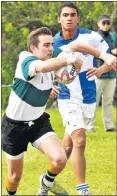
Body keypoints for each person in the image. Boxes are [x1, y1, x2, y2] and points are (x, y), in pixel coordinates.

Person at [2, 27, 83, 196]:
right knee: (15, 177)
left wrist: (75, 67)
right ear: (33, 48)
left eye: (52, 45)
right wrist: (71, 58)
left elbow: (74, 54)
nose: (51, 49)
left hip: (38, 123)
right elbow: (43, 68)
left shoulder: (52, 64)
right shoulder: (26, 58)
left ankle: (45, 184)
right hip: (14, 126)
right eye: (46, 45)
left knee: (60, 159)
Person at [52, 2, 117, 195]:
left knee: (69, 145)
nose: (69, 18)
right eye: (65, 15)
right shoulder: (53, 43)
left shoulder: (92, 36)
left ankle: (47, 179)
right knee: (80, 140)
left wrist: (101, 68)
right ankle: (83, 190)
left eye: (73, 15)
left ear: (78, 18)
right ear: (59, 19)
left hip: (88, 98)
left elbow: (110, 58)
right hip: (66, 97)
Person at [87, 14, 117, 132]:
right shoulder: (94, 37)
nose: (105, 25)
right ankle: (89, 126)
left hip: (112, 73)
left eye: (108, 23)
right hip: (98, 73)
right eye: (103, 23)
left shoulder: (114, 36)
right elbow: (92, 53)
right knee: (93, 100)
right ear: (98, 23)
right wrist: (111, 51)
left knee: (108, 100)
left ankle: (109, 126)